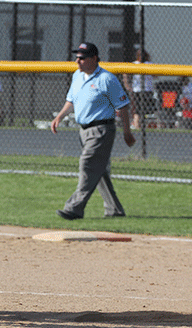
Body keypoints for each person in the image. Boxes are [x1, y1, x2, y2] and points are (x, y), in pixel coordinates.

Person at [50, 42, 136, 220]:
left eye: (82, 58)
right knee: (100, 171)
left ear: (94, 59)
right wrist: (60, 116)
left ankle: (74, 208)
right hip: (84, 131)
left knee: (87, 165)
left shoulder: (106, 79)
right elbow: (71, 100)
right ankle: (115, 210)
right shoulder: (77, 76)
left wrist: (127, 132)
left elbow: (124, 106)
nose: (78, 61)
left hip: (101, 130)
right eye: (77, 57)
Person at [124, 49, 156, 130]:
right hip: (142, 90)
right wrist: (127, 85)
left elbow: (155, 75)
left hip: (143, 90)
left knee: (139, 110)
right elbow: (155, 76)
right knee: (140, 110)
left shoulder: (146, 64)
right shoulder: (138, 64)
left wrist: (127, 85)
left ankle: (139, 125)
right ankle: (138, 125)